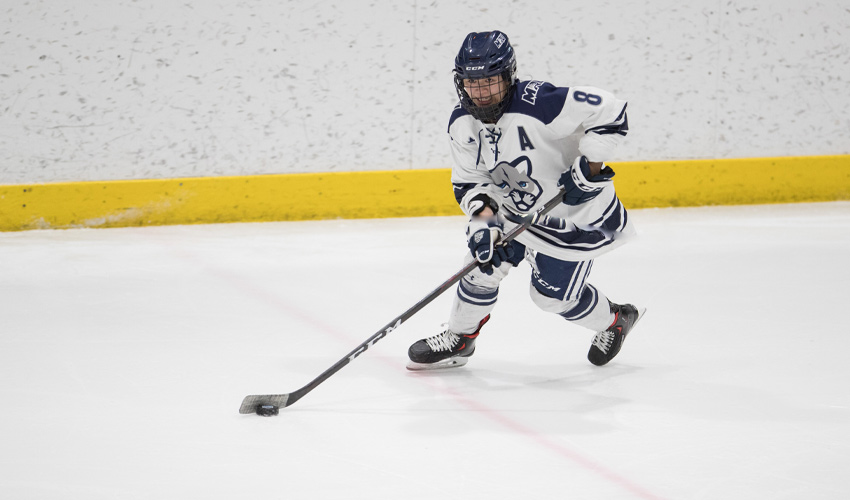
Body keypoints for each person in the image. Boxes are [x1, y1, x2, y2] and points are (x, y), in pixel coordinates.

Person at [407, 30, 643, 370]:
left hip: (573, 217)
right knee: (478, 267)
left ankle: (615, 321)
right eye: (472, 84)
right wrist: (484, 224)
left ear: (508, 76)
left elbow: (611, 110)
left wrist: (588, 168)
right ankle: (460, 339)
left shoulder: (541, 101)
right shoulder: (462, 122)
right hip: (515, 210)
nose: (481, 92)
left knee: (551, 298)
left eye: (490, 81)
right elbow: (471, 182)